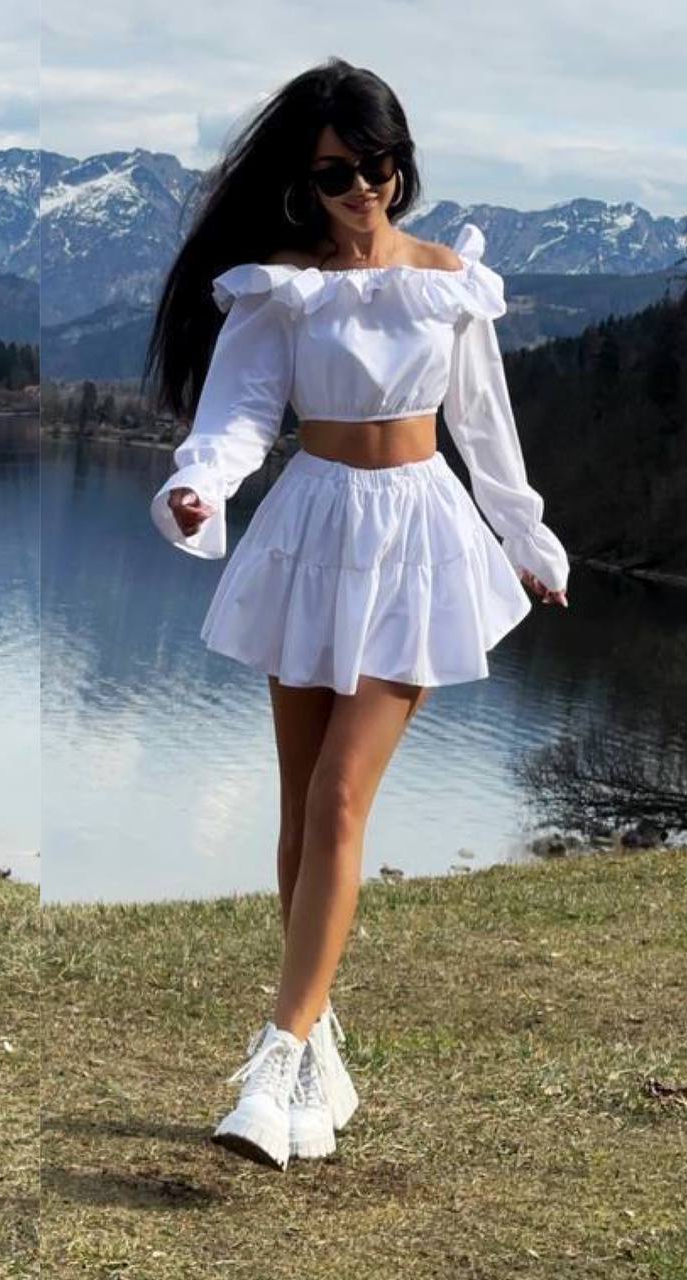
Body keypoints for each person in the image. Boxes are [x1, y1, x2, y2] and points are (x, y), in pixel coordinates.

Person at [144, 58, 569, 1171]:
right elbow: (236, 417)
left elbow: (483, 429)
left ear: (399, 162)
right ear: (304, 175)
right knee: (300, 808)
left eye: (377, 165)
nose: (361, 188)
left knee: (339, 793)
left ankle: (276, 1055)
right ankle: (319, 1044)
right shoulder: (279, 289)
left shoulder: (448, 283)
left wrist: (525, 543)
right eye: (337, 170)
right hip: (312, 531)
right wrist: (202, 485)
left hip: (421, 538)